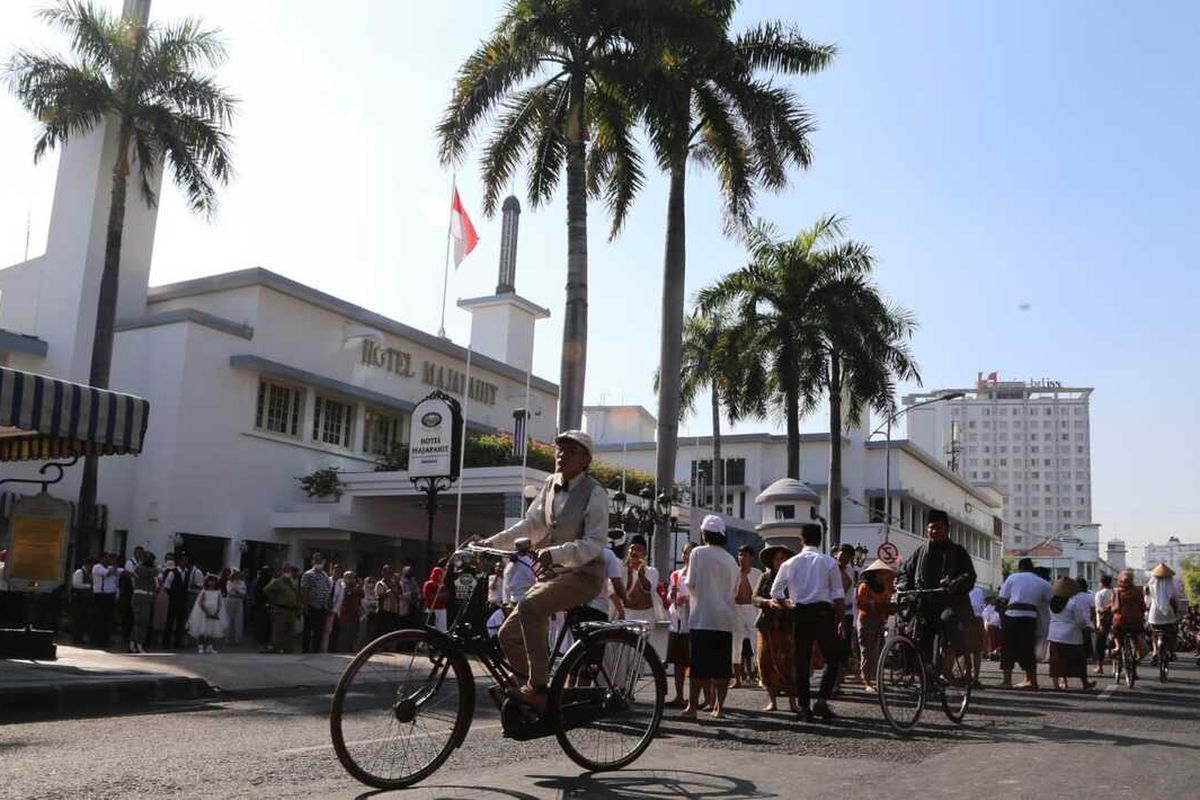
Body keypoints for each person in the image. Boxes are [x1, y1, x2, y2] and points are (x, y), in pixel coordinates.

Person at [477, 430, 609, 713]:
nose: (562, 454)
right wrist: (490, 543)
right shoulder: (550, 484)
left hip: (584, 575)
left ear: (586, 460)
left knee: (530, 607)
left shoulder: (595, 492)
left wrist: (556, 553)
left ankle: (538, 688)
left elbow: (596, 542)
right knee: (507, 635)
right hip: (555, 576)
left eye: (571, 451)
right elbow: (530, 526)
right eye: (559, 449)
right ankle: (527, 691)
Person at [770, 522, 844, 722]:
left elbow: (775, 591)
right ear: (820, 540)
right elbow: (838, 594)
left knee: (802, 662)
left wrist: (787, 604)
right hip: (823, 614)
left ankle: (804, 707)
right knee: (833, 658)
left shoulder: (790, 563)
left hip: (800, 613)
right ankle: (821, 699)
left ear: (801, 540)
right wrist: (840, 618)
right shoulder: (828, 562)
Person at [896, 508, 977, 676]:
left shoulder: (958, 551)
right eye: (931, 528)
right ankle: (922, 673)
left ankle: (946, 670)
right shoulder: (920, 552)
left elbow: (969, 575)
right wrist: (903, 585)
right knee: (912, 630)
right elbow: (905, 572)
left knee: (949, 621)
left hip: (950, 602)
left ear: (947, 529)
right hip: (924, 603)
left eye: (938, 527)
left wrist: (955, 583)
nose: (934, 531)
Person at [682, 515, 739, 720]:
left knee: (698, 665)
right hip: (724, 620)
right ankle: (719, 708)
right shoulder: (731, 560)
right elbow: (734, 591)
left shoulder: (698, 553)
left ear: (704, 534)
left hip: (702, 616)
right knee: (722, 667)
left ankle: (692, 707)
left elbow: (690, 583)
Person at [996, 557, 1053, 689]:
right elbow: (1052, 601)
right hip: (1030, 617)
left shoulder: (1012, 578)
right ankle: (1033, 681)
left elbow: (1002, 599)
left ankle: (1007, 681)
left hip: (1012, 615)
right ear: (1032, 567)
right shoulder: (1042, 583)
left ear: (1020, 567)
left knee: (1007, 649)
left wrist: (1001, 616)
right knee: (1027, 649)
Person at [753, 543, 797, 712]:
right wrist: (767, 602)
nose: (780, 561)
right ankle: (773, 701)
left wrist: (787, 604)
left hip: (787, 626)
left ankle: (793, 702)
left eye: (783, 558)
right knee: (765, 663)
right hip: (767, 625)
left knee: (789, 664)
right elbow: (754, 597)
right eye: (777, 558)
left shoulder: (793, 578)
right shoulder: (765, 577)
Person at [856, 559, 896, 694]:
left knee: (879, 652)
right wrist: (878, 606)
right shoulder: (864, 586)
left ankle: (879, 681)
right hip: (866, 621)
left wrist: (888, 609)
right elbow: (861, 604)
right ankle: (867, 682)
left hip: (879, 621)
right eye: (881, 573)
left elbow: (887, 602)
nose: (884, 576)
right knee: (867, 651)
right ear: (874, 574)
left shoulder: (885, 587)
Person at [1047, 577, 1094, 691]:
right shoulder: (1072, 603)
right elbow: (1080, 621)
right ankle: (1085, 684)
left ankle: (1056, 684)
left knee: (1056, 661)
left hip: (1054, 635)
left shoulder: (1051, 604)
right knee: (1079, 661)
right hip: (1072, 636)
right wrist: (1086, 627)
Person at [666, 541, 694, 707]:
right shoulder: (676, 574)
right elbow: (669, 598)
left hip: (692, 623)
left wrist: (687, 598)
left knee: (693, 663)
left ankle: (695, 698)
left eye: (689, 553)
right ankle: (679, 696)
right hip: (675, 622)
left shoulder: (697, 574)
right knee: (677, 663)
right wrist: (672, 594)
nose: (686, 556)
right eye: (684, 553)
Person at [732, 545, 763, 689]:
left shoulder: (757, 574)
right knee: (735, 645)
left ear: (751, 557)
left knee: (756, 644)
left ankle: (761, 677)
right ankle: (737, 679)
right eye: (740, 555)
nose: (742, 558)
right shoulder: (733, 573)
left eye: (745, 555)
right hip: (736, 610)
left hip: (752, 610)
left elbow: (761, 594)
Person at [832, 544, 859, 692]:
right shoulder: (830, 568)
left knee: (844, 647)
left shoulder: (851, 571)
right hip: (833, 612)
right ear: (837, 554)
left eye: (847, 557)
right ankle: (834, 681)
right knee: (833, 647)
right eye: (842, 555)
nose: (843, 559)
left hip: (847, 613)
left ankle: (839, 678)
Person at [1145, 563, 1180, 665]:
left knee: (1154, 634)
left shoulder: (1150, 587)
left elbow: (1147, 603)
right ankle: (1172, 652)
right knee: (1173, 632)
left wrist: (1148, 611)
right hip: (1169, 615)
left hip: (1154, 615)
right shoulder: (1171, 586)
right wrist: (1177, 613)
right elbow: (1175, 601)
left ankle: (1155, 652)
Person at [623, 535, 661, 626]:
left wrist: (641, 575)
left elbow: (649, 589)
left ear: (645, 553)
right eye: (632, 549)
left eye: (639, 549)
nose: (634, 552)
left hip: (646, 616)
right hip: (627, 614)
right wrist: (628, 572)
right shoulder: (622, 570)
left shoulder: (652, 571)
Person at [1109, 570, 1146, 662]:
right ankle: (1137, 652)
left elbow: (1113, 607)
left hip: (1121, 621)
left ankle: (1117, 646)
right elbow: (1143, 606)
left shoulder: (1116, 591)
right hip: (1136, 621)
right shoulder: (1138, 590)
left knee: (1114, 631)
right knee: (1136, 636)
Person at [265, 564, 302, 653]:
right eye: (285, 570)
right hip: (281, 609)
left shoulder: (292, 582)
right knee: (278, 631)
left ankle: (288, 649)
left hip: (291, 610)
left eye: (289, 570)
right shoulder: (278, 581)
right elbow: (267, 590)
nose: (287, 573)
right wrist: (274, 600)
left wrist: (298, 607)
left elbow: (297, 595)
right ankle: (276, 648)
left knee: (290, 632)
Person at [299, 554, 332, 653]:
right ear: (312, 562)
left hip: (322, 607)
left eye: (320, 561)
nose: (318, 563)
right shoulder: (308, 574)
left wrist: (327, 605)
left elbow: (327, 591)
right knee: (308, 630)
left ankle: (315, 650)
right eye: (316, 561)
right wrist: (305, 606)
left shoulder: (325, 575)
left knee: (318, 630)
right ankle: (305, 650)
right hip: (311, 606)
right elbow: (304, 590)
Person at [187, 574, 226, 654]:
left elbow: (219, 603)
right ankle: (201, 646)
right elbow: (200, 602)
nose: (212, 583)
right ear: (207, 582)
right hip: (204, 613)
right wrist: (207, 612)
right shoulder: (204, 591)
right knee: (203, 630)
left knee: (211, 631)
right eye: (210, 581)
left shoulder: (218, 592)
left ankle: (209, 647)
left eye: (214, 581)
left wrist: (216, 612)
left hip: (214, 612)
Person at [129, 551, 158, 654]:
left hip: (148, 597)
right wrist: (158, 569)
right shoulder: (140, 568)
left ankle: (134, 643)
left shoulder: (149, 569)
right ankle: (138, 644)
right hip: (141, 596)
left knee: (141, 623)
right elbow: (150, 573)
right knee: (141, 622)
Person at [91, 553, 119, 649]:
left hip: (109, 596)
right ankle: (96, 640)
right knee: (99, 618)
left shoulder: (111, 568)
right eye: (107, 558)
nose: (108, 560)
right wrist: (114, 565)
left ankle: (105, 639)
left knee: (108, 619)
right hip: (100, 596)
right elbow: (108, 574)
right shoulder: (97, 567)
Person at [1092, 573, 1114, 675]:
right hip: (1115, 620)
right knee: (1115, 641)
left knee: (1100, 644)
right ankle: (1117, 665)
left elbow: (1099, 610)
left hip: (1103, 621)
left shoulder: (1099, 594)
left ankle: (1100, 667)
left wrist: (1099, 624)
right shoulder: (1114, 592)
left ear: (1102, 583)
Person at [70, 557, 95, 644]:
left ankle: (80, 637)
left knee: (84, 619)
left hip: (86, 600)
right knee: (78, 619)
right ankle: (76, 637)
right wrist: (90, 586)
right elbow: (76, 584)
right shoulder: (79, 572)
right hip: (79, 599)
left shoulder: (90, 574)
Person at [337, 571, 363, 652]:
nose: (351, 579)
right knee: (344, 632)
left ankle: (352, 648)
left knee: (354, 632)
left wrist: (359, 586)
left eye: (352, 577)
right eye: (348, 577)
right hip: (344, 613)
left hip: (354, 614)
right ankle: (342, 649)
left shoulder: (356, 587)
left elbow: (362, 595)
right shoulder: (342, 586)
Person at [422, 565, 448, 632]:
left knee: (441, 629)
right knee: (431, 629)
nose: (440, 576)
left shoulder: (443, 585)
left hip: (441, 609)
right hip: (432, 609)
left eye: (441, 574)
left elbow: (445, 596)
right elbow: (427, 596)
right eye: (439, 574)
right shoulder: (429, 584)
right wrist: (438, 595)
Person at [225, 569, 247, 644]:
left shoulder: (242, 582)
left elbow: (243, 592)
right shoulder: (229, 582)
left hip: (239, 600)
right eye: (235, 574)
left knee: (239, 618)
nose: (237, 575)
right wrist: (238, 591)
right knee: (229, 617)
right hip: (231, 600)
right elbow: (229, 591)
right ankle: (227, 636)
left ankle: (237, 637)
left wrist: (236, 590)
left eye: (238, 574)